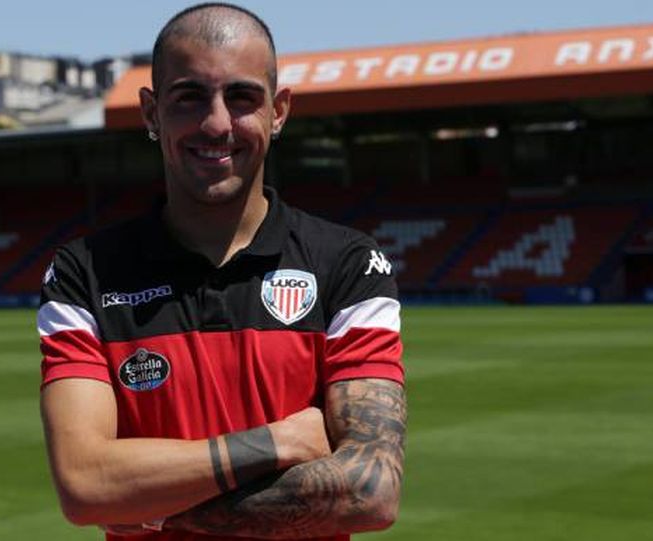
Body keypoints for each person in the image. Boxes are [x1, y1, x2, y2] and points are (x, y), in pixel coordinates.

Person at [37, 3, 406, 540]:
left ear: (278, 111)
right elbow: (85, 485)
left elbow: (370, 492)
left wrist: (152, 509)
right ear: (150, 112)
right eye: (189, 97)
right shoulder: (84, 273)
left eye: (241, 97)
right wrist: (277, 441)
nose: (215, 123)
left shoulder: (347, 263)